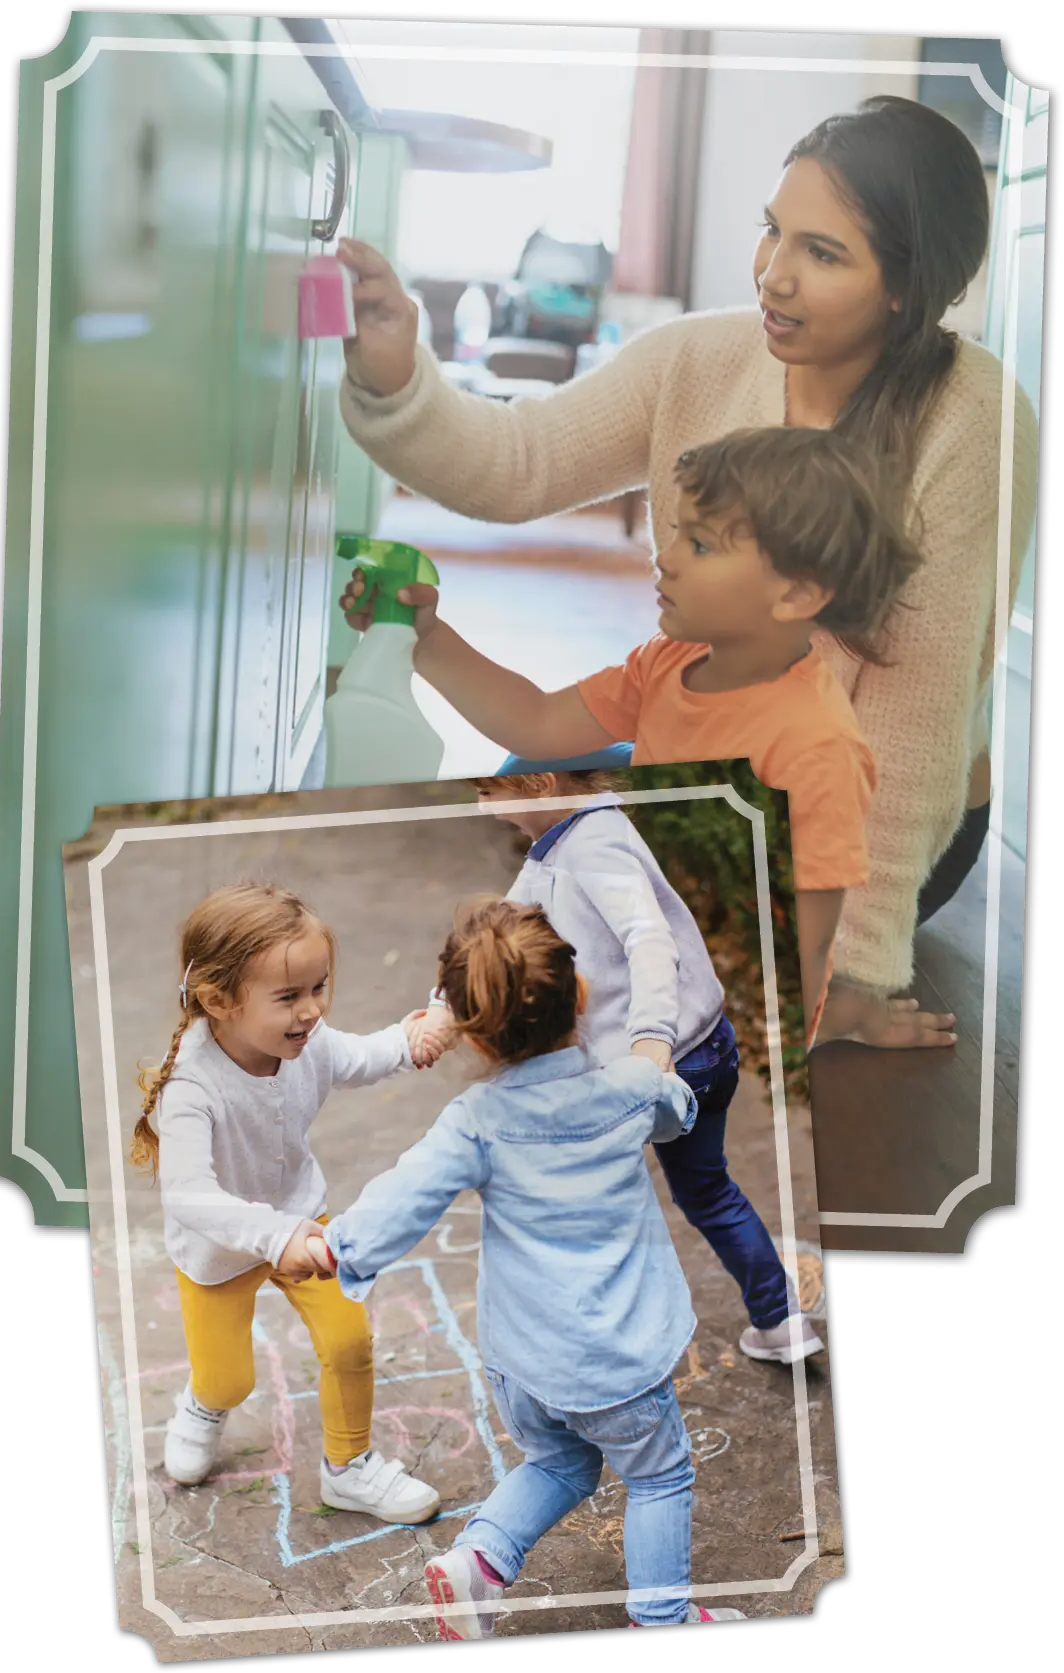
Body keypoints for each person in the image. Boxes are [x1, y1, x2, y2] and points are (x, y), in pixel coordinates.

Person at [333, 94, 1039, 1051]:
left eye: (823, 254)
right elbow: (517, 463)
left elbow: (913, 729)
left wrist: (841, 985)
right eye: (772, 230)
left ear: (907, 287)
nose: (774, 276)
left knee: (639, 939)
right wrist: (394, 376)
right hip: (720, 764)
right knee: (525, 792)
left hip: (861, 831)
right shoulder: (699, 359)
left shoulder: (976, 422)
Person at [341, 424, 927, 1050]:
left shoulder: (816, 748)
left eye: (699, 545)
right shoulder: (671, 658)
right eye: (676, 530)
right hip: (649, 887)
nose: (666, 555)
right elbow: (536, 721)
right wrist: (425, 638)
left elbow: (808, 928)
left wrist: (801, 1028)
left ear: (797, 594)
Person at [310, 898, 745, 1637]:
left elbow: (406, 1194)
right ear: (580, 995)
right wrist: (655, 1067)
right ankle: (661, 1616)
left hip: (524, 1363)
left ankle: (478, 1561)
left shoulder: (477, 1119)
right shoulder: (627, 1088)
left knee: (562, 1463)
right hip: (621, 1361)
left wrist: (343, 1245)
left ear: (475, 1035)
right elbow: (678, 1110)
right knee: (658, 1474)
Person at [410, 769, 824, 1366]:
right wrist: (444, 1010)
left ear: (539, 782)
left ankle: (603, 1348)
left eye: (487, 793)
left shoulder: (594, 841)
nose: (483, 810)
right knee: (707, 1191)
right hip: (701, 1050)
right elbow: (498, 934)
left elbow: (648, 937)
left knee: (593, 1201)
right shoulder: (558, 844)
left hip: (658, 1065)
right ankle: (780, 1320)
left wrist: (652, 1038)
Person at [131, 881, 443, 1524]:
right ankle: (203, 1402)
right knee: (228, 1380)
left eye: (318, 987)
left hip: (304, 1215)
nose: (311, 1011)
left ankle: (349, 1469)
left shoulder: (309, 1040)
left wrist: (413, 1039)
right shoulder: (192, 1087)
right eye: (289, 997)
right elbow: (189, 1194)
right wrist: (276, 1239)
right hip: (220, 1251)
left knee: (348, 1339)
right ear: (219, 1001)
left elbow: (360, 1055)